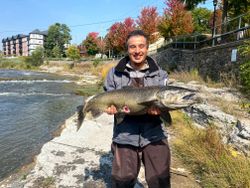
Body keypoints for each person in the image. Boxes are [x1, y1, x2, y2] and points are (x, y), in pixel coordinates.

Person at [104, 30, 171, 188]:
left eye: (141, 46)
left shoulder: (161, 74)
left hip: (154, 134)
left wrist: (160, 110)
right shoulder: (114, 74)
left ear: (147, 48)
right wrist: (111, 109)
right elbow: (107, 97)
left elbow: (167, 102)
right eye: (132, 47)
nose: (137, 51)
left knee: (160, 181)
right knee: (122, 182)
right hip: (124, 135)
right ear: (127, 49)